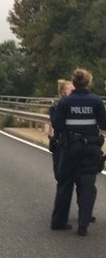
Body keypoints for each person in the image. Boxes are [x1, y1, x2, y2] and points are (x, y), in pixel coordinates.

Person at [50, 68, 106, 236]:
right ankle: (83, 226)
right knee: (88, 184)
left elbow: (57, 125)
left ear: (74, 83)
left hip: (70, 148)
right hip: (90, 148)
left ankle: (59, 222)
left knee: (65, 183)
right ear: (88, 82)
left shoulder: (65, 103)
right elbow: (104, 124)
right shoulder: (96, 101)